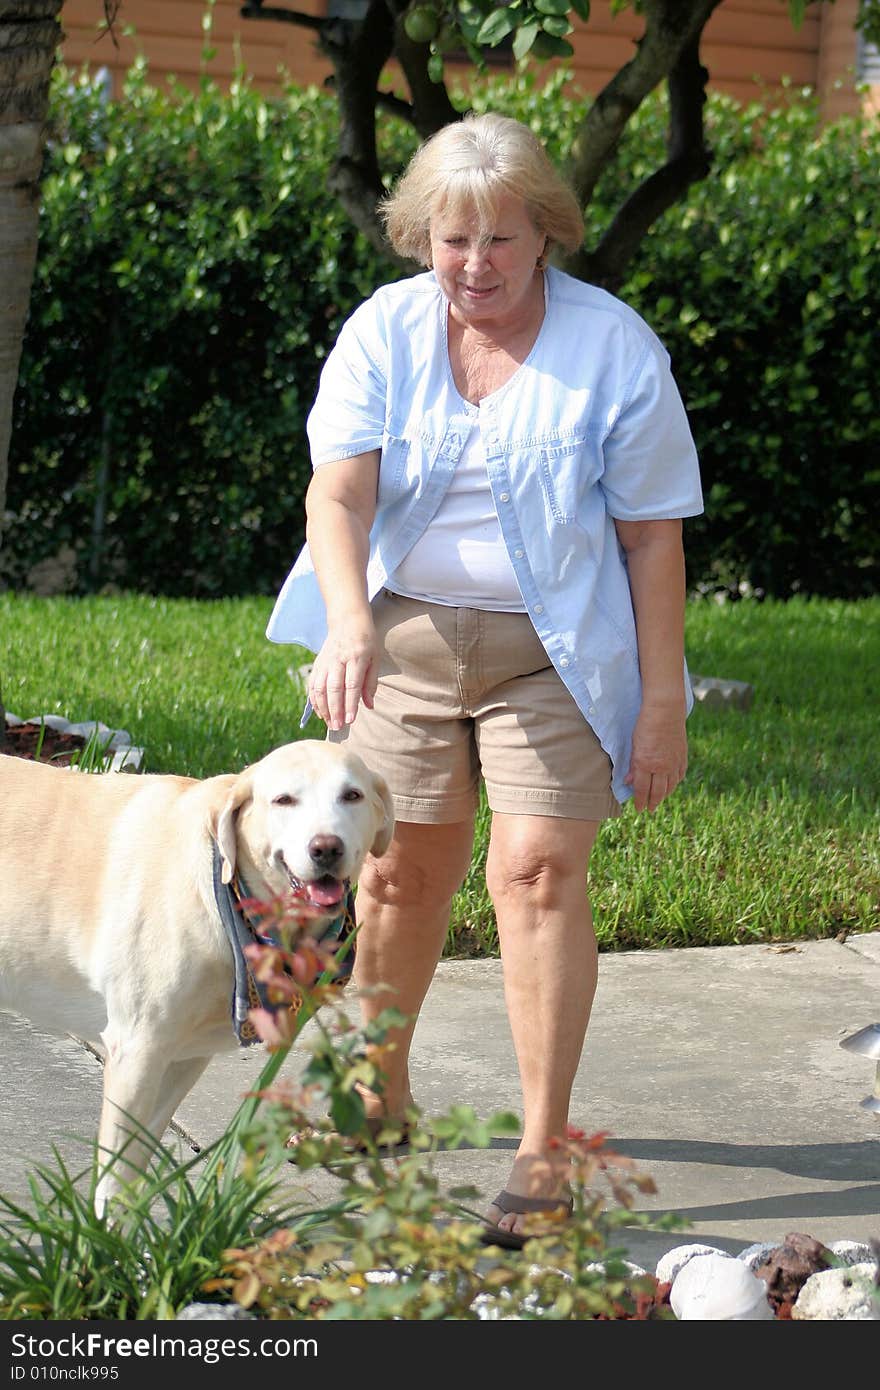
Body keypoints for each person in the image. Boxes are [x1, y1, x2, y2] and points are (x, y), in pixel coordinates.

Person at [267, 112, 703, 1248]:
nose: (474, 267)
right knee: (401, 879)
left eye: (498, 241)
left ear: (544, 231)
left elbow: (653, 537)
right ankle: (382, 1085)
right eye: (449, 241)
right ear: (420, 237)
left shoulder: (612, 349)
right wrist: (348, 622)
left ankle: (542, 1149)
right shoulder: (384, 333)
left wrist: (662, 702)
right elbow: (339, 497)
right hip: (400, 635)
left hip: (553, 650)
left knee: (538, 872)